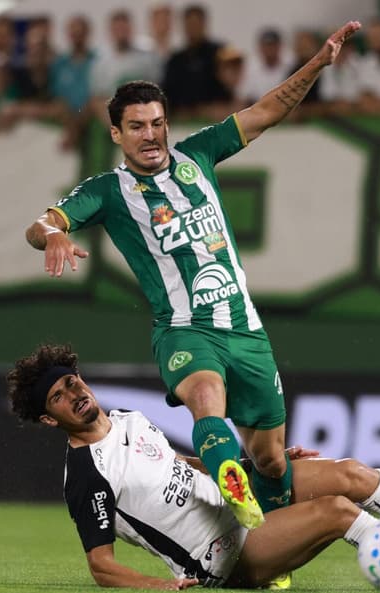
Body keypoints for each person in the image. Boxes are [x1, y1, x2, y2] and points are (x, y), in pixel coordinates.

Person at [25, 21, 362, 533]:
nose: (150, 135)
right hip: (184, 328)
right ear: (116, 134)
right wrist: (53, 234)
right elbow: (41, 224)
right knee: (206, 398)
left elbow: (267, 111)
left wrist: (317, 64)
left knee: (273, 461)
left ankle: (265, 534)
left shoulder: (199, 153)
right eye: (136, 126)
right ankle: (229, 480)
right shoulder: (108, 191)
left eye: (157, 123)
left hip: (245, 328)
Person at [5, 343, 380, 591]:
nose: (73, 393)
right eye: (58, 396)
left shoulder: (127, 419)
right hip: (221, 557)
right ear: (49, 419)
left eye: (71, 382)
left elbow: (179, 465)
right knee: (337, 511)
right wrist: (159, 587)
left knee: (348, 474)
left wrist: (248, 468)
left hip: (240, 507)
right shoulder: (87, 476)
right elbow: (101, 566)